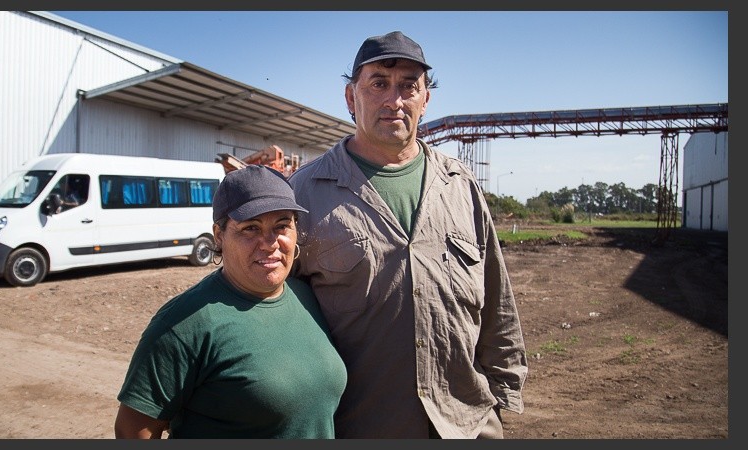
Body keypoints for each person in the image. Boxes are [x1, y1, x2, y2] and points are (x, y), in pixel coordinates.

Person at [287, 31, 527, 439]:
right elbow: (276, 316)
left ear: (425, 100)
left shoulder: (459, 185)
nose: (394, 100)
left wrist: (502, 395)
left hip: (466, 421)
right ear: (351, 98)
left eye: (408, 86)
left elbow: (496, 299)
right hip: (360, 426)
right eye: (378, 83)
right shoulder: (304, 193)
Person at [114, 164, 347, 439]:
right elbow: (133, 430)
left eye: (282, 225)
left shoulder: (304, 295)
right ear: (219, 235)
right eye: (251, 228)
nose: (270, 242)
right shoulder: (185, 323)